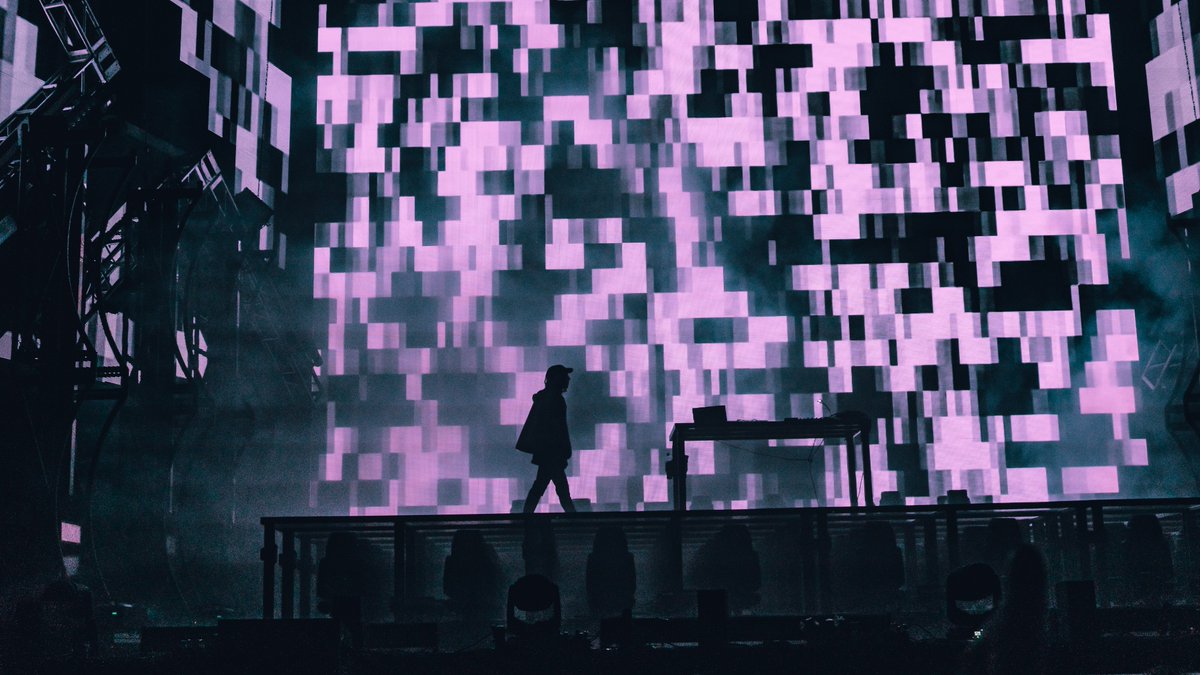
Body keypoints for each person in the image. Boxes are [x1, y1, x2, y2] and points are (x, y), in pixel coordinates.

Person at [516, 365, 577, 513]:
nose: (568, 379)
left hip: (547, 452)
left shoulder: (546, 398)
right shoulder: (555, 399)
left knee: (544, 487)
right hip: (552, 452)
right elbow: (558, 429)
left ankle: (526, 516)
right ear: (558, 379)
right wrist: (563, 451)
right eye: (565, 376)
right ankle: (574, 519)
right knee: (559, 489)